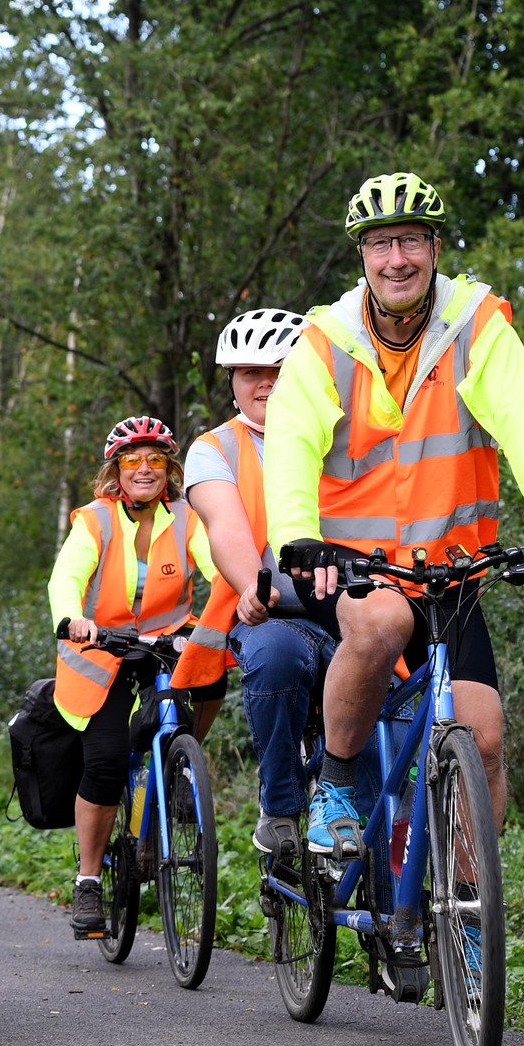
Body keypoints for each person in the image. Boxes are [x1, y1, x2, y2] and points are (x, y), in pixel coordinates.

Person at [264, 172, 524, 859]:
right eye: (381, 245)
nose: (396, 259)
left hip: (450, 570)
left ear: (435, 247)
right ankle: (338, 782)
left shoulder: (475, 325)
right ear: (362, 257)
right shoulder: (325, 341)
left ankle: (464, 914)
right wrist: (298, 537)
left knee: (486, 737)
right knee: (383, 622)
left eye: (410, 240)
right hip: (353, 571)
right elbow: (289, 446)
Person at [176, 308, 375, 857]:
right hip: (275, 614)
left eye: (280, 369)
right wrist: (250, 585)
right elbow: (225, 527)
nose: (264, 382)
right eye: (248, 372)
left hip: (360, 610)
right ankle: (282, 808)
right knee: (278, 654)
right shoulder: (215, 449)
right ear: (232, 385)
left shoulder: (349, 433)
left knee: (400, 736)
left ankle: (400, 914)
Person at [48, 416, 200, 937]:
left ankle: (176, 773)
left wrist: (239, 601)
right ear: (116, 470)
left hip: (164, 644)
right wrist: (73, 619)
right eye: (132, 460)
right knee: (107, 761)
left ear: (169, 470)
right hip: (101, 650)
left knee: (200, 688)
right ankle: (89, 879)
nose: (144, 469)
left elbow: (218, 566)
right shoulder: (95, 520)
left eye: (155, 459)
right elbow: (67, 576)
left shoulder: (186, 517)